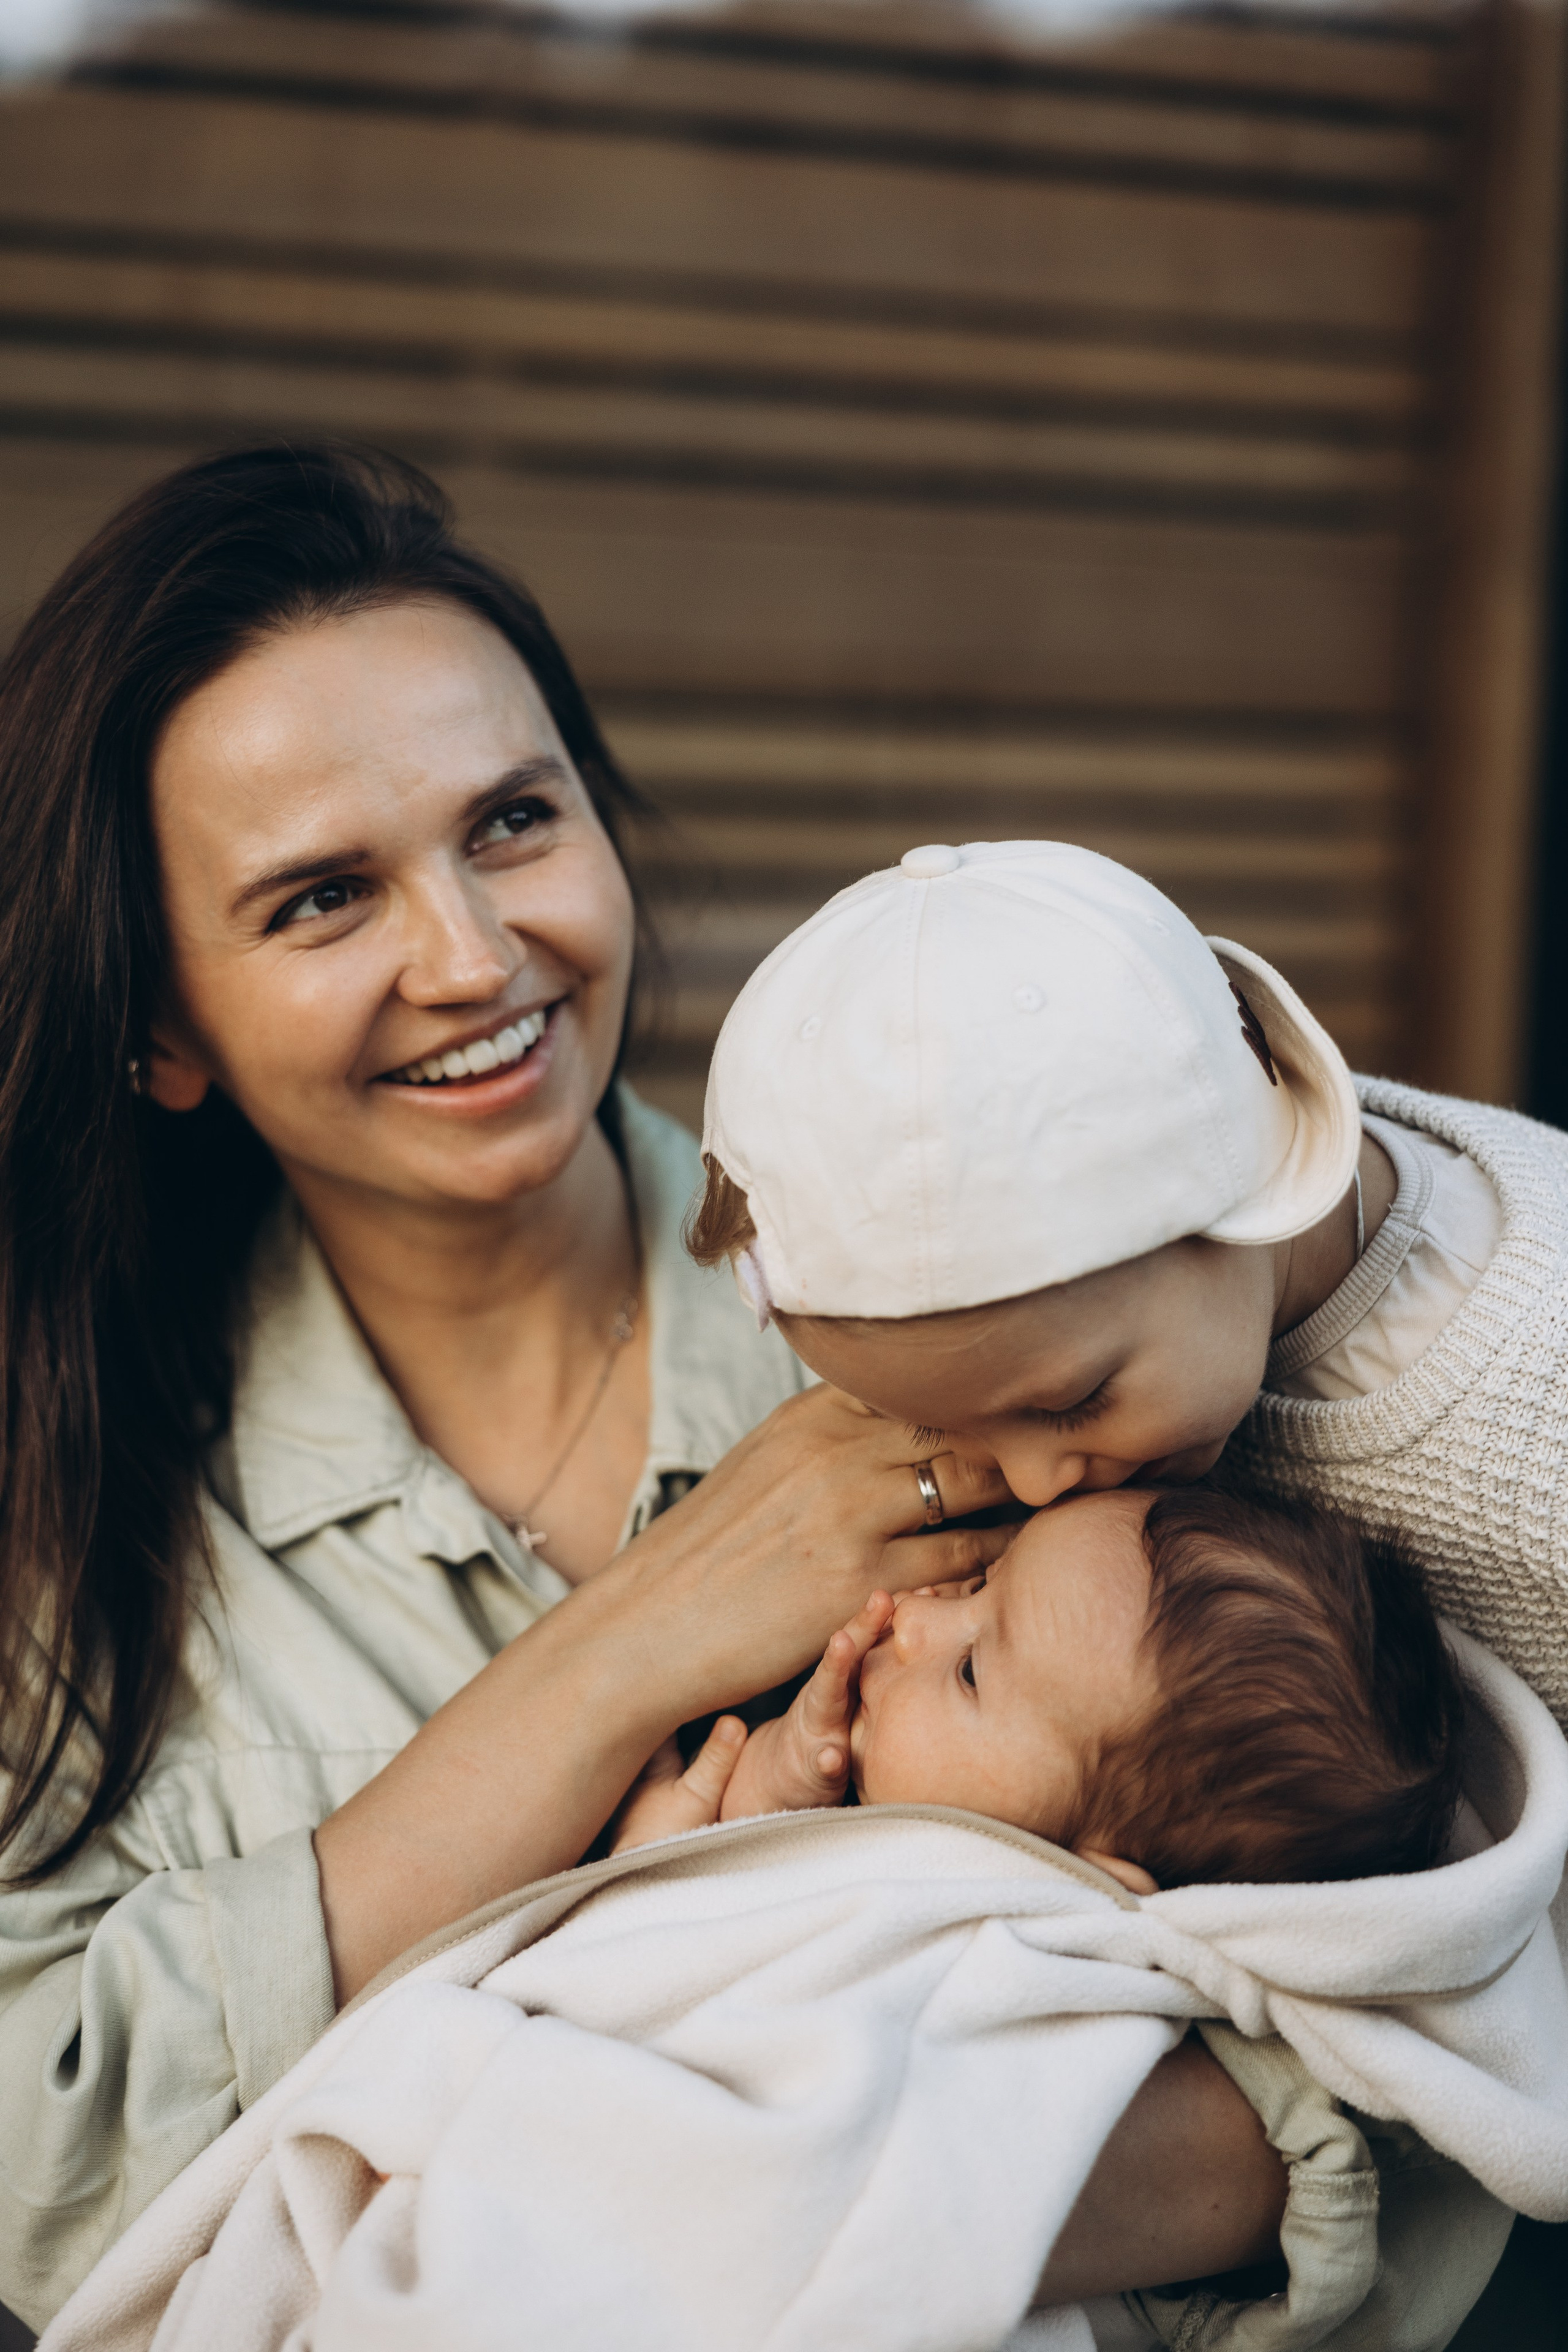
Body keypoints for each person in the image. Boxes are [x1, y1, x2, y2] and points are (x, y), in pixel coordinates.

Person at [0, 445, 1016, 2331]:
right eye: (320, 900)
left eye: (513, 824)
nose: (474, 959)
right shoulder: (59, 1493)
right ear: (159, 1029)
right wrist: (631, 1641)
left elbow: (1330, 2043)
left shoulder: (975, 1325)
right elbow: (36, 2170)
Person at [692, 835, 1566, 2347]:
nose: (1030, 1488)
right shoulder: (1117, 1325)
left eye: (1070, 1402)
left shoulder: (1531, 1399)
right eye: (954, 1440)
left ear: (1243, 1187)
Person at [614, 1487, 1467, 1898]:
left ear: (1084, 1878)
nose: (914, 1617)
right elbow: (765, 1868)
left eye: (972, 1670)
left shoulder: (989, 1943)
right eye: (982, 1580)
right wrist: (779, 1784)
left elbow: (715, 1960)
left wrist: (642, 1877)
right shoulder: (926, 1808)